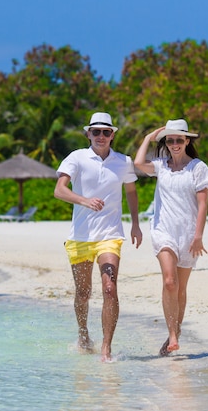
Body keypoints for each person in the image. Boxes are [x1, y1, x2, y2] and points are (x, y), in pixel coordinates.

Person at [54, 111, 143, 362]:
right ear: (88, 134)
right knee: (83, 293)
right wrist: (84, 200)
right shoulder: (76, 157)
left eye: (106, 132)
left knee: (109, 288)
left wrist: (135, 224)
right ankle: (83, 333)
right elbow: (59, 190)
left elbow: (132, 192)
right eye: (96, 132)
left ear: (112, 135)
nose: (101, 136)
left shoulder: (123, 161)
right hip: (81, 236)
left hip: (110, 235)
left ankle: (106, 348)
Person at [134, 119, 208, 356]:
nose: (175, 144)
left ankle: (173, 334)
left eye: (179, 139)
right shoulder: (160, 165)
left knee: (180, 289)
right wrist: (149, 137)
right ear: (166, 142)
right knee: (170, 282)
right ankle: (172, 336)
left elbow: (202, 205)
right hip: (163, 230)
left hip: (188, 234)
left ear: (187, 141)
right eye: (170, 140)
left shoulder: (198, 168)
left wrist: (198, 236)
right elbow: (138, 163)